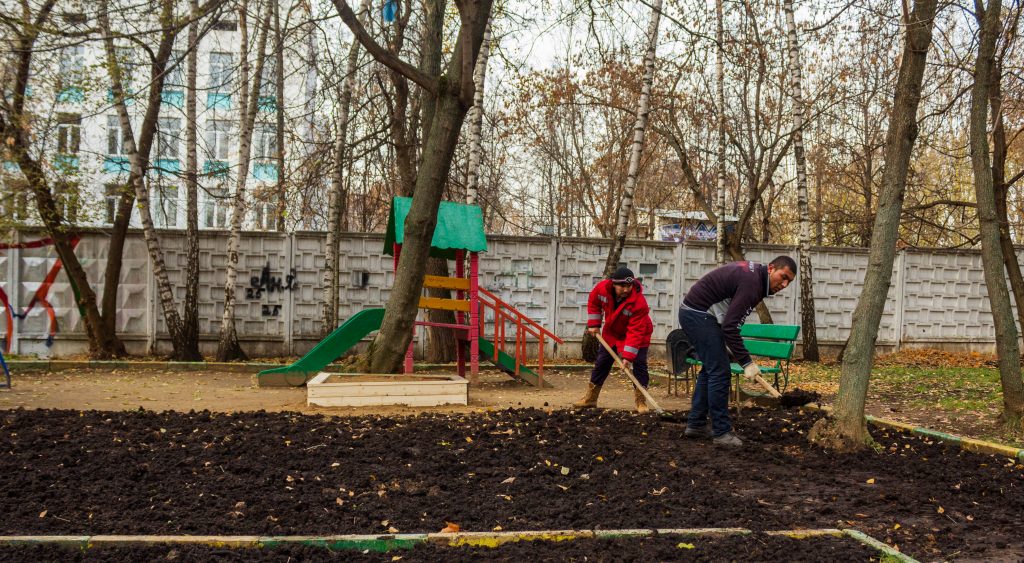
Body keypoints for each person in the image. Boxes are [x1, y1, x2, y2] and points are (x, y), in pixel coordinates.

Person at [678, 256, 797, 446]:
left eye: (788, 281)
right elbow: (730, 327)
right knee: (720, 371)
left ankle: (696, 424)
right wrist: (747, 363)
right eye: (783, 277)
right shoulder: (753, 284)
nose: (784, 284)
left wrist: (731, 348)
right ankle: (722, 433)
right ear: (771, 268)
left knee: (711, 369)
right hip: (698, 314)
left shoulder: (755, 277)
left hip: (698, 314)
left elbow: (729, 322)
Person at [574, 267, 654, 412]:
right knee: (602, 363)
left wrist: (628, 357)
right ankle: (590, 399)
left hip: (639, 335)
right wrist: (594, 324)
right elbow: (593, 302)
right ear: (614, 284)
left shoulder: (639, 303)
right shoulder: (602, 288)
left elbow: (635, 331)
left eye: (629, 286)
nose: (626, 289)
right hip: (612, 333)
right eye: (622, 286)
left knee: (639, 364)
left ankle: (641, 402)